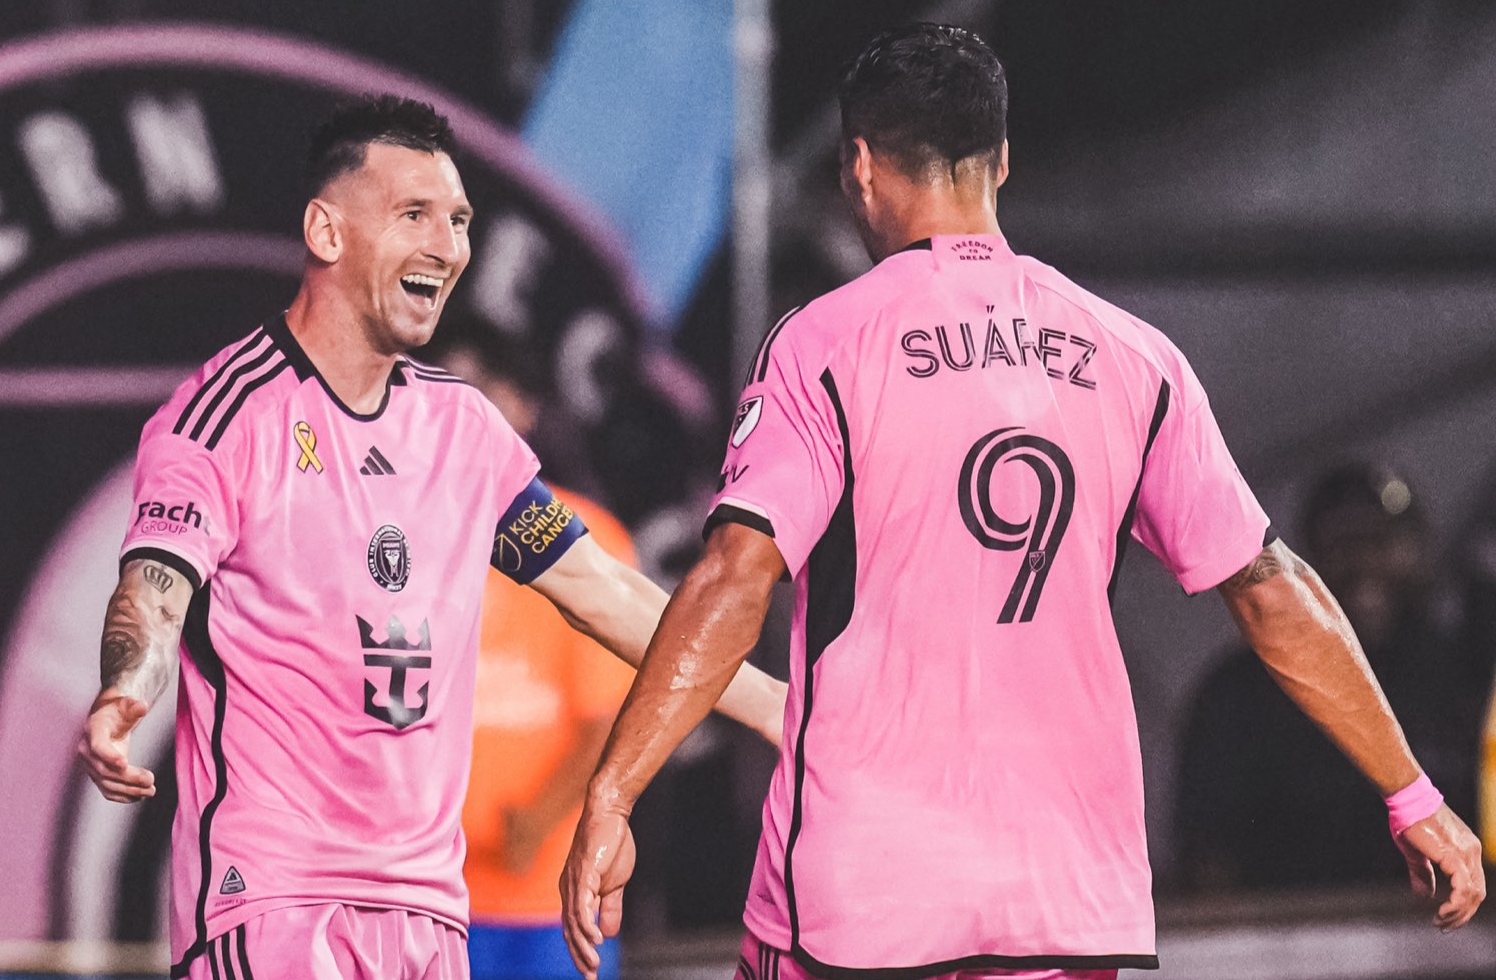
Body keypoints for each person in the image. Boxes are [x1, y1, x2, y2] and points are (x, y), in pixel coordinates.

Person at [559, 24, 1485, 980]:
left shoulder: (824, 346)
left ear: (859, 168)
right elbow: (1267, 587)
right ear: (1000, 161)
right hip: (1064, 901)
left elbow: (734, 578)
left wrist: (614, 796)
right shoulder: (1133, 356)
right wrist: (1411, 796)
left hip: (865, 902)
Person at [74, 96, 786, 980]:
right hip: (275, 906)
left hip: (428, 918)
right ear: (326, 232)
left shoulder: (462, 428)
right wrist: (127, 686)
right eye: (414, 214)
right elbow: (155, 588)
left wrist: (773, 706)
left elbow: (602, 592)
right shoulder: (228, 416)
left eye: (458, 221)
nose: (447, 245)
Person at [1179, 463, 1481, 890]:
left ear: (1420, 550)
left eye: (1381, 541)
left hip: (1449, 919)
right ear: (1305, 561)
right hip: (1294, 925)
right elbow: (1206, 860)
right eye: (1343, 544)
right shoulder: (1243, 689)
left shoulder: (1464, 673)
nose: (1364, 561)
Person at [439, 338, 634, 980]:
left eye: (483, 393)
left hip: (553, 899)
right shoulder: (396, 540)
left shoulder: (585, 537)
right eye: (445, 394)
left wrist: (536, 824)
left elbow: (614, 718)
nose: (463, 413)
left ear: (523, 407)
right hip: (422, 894)